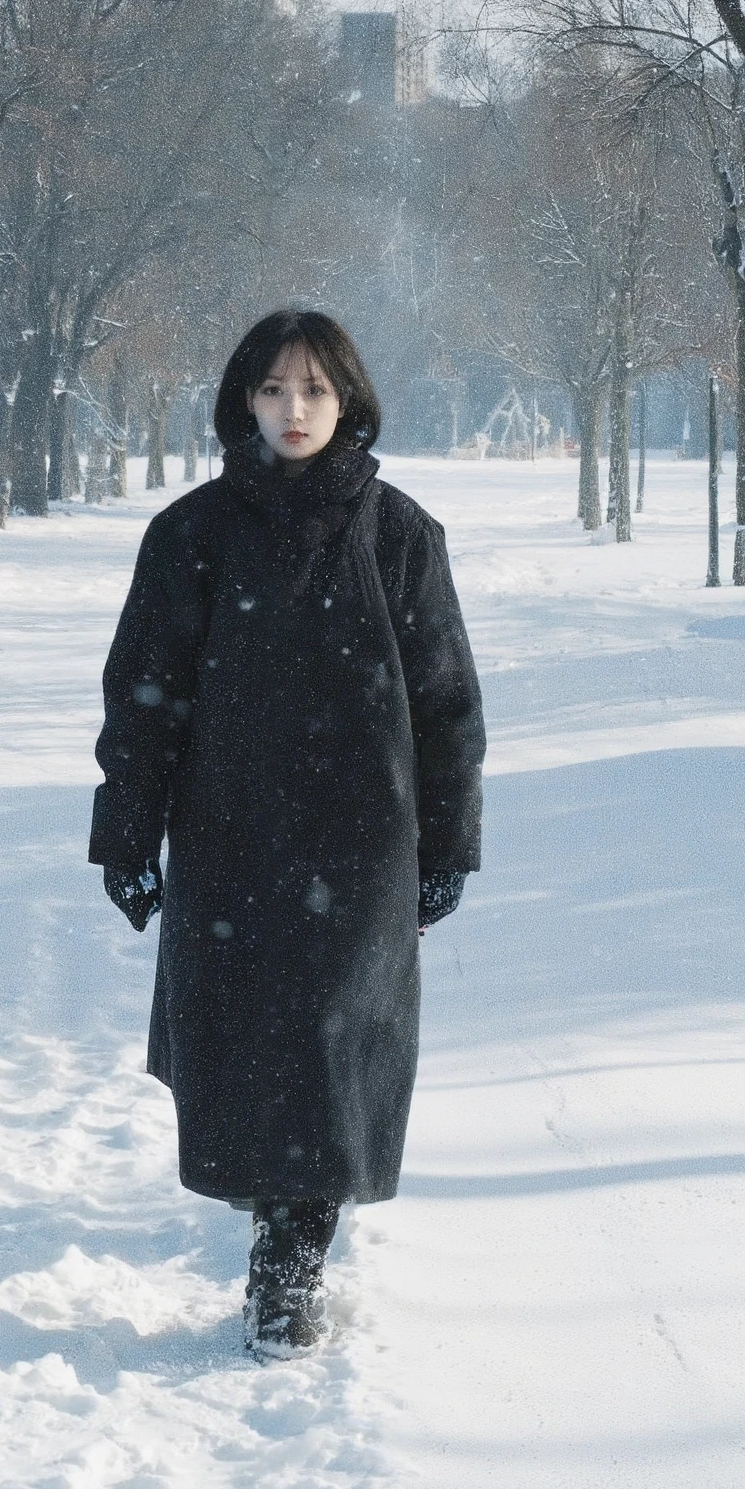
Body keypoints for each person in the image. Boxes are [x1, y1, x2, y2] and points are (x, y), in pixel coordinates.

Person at [89, 310, 485, 1356]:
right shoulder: (190, 534)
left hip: (362, 841)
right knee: (240, 1042)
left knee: (330, 1045)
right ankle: (275, 1210)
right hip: (227, 833)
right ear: (243, 401)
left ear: (347, 398)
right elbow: (143, 697)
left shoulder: (399, 534)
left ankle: (289, 1261)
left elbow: (447, 706)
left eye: (314, 387)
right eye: (273, 388)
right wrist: (123, 834)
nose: (294, 408)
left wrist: (447, 844)